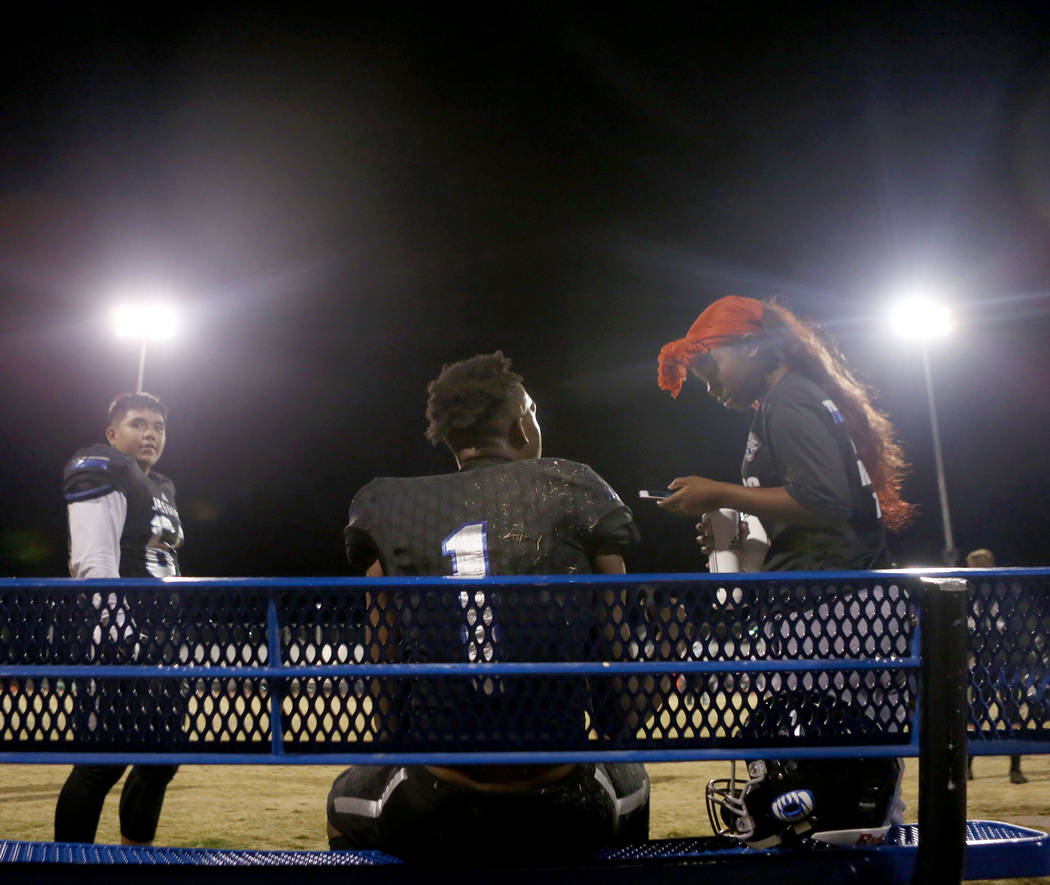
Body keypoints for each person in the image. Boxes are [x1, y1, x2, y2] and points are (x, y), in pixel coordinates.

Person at [326, 352, 650, 862]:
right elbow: (619, 645)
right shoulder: (576, 485)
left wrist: (392, 742)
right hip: (564, 797)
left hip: (436, 798)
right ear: (522, 422)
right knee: (634, 782)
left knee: (342, 796)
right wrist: (616, 727)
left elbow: (381, 663)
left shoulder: (386, 504)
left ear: (451, 434)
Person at [654, 295, 913, 846]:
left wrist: (718, 492)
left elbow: (823, 500)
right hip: (846, 599)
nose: (707, 385)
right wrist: (740, 528)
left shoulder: (788, 399)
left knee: (812, 752)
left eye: (709, 367)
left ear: (751, 346)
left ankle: (837, 846)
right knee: (855, 756)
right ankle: (861, 840)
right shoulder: (796, 397)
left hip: (830, 605)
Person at [53, 392, 184, 845]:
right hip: (117, 636)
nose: (150, 433)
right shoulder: (103, 465)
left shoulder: (163, 487)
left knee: (161, 757)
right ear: (112, 434)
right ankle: (68, 867)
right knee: (100, 762)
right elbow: (92, 561)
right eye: (138, 424)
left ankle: (135, 856)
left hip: (161, 638)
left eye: (159, 426)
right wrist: (121, 636)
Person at [965, 547, 1027, 784]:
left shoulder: (1004, 589)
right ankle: (968, 766)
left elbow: (1014, 622)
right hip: (983, 656)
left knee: (1010, 709)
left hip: (1003, 655)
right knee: (977, 711)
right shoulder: (970, 590)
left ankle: (1015, 768)